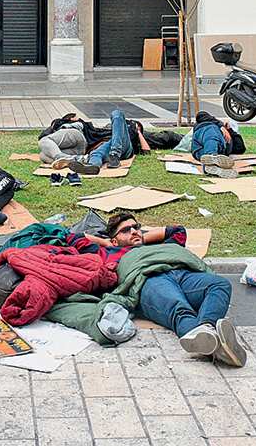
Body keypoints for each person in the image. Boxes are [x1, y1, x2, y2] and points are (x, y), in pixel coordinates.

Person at [66, 213, 245, 367]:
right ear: (114, 239)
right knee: (179, 309)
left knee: (220, 284)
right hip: (148, 280)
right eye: (126, 230)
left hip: (182, 273)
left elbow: (177, 230)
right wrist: (108, 243)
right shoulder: (108, 253)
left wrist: (141, 239)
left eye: (136, 227)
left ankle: (207, 329)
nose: (134, 231)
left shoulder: (160, 245)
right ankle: (213, 346)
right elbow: (74, 237)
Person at [68, 110, 150, 175]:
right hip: (110, 144)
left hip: (125, 147)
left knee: (116, 112)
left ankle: (115, 154)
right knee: (97, 152)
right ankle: (93, 165)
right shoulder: (115, 125)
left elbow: (147, 151)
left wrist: (137, 131)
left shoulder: (132, 130)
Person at [191, 112, 246, 179]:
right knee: (212, 134)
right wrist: (220, 125)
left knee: (207, 155)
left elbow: (241, 148)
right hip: (204, 134)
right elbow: (200, 114)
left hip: (201, 152)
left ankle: (211, 166)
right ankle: (212, 156)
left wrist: (229, 129)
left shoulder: (228, 138)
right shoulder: (211, 123)